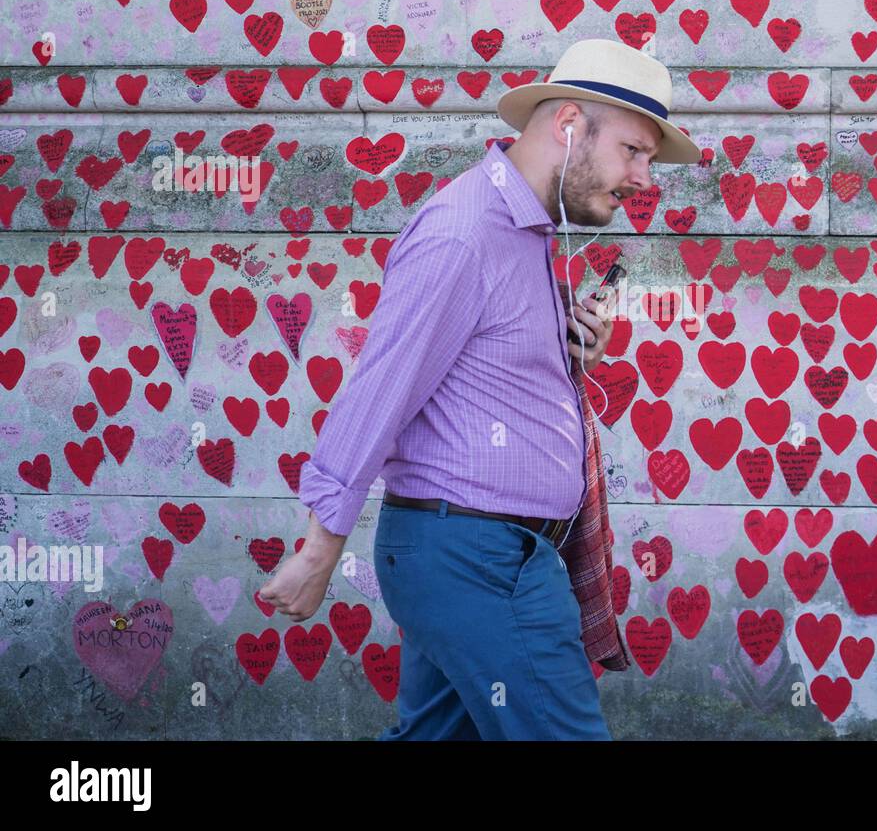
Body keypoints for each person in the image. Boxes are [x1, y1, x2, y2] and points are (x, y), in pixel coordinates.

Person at [257, 39, 702, 739]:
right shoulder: (465, 233)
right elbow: (381, 389)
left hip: (479, 555)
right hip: (480, 561)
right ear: (568, 127)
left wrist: (569, 352)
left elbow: (484, 378)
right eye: (635, 151)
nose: (645, 176)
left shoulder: (525, 231)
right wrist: (320, 548)